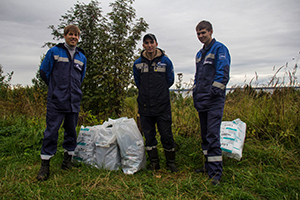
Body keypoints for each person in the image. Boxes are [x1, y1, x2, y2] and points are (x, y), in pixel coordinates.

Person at [37, 25, 87, 181]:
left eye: (76, 35)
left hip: (74, 101)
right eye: (70, 34)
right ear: (65, 36)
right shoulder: (54, 52)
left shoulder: (81, 57)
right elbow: (44, 73)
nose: (73, 37)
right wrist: (56, 88)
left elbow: (81, 78)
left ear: (78, 37)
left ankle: (67, 160)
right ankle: (45, 165)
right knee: (51, 132)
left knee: (71, 131)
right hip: (56, 100)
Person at [133, 33, 178, 173]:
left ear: (156, 44)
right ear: (143, 45)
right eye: (146, 43)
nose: (149, 45)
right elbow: (137, 82)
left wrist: (159, 93)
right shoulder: (137, 63)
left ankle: (170, 163)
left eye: (151, 42)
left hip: (162, 106)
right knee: (149, 136)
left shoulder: (165, 61)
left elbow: (170, 80)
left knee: (166, 135)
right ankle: (154, 163)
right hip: (145, 106)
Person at [193, 20, 230, 185]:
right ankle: (208, 166)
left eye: (203, 32)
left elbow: (223, 71)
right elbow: (198, 77)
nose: (201, 36)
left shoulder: (220, 49)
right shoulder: (199, 54)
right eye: (198, 33)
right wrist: (195, 93)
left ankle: (215, 174)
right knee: (205, 136)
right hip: (202, 99)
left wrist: (215, 92)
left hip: (214, 100)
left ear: (211, 31)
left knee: (212, 136)